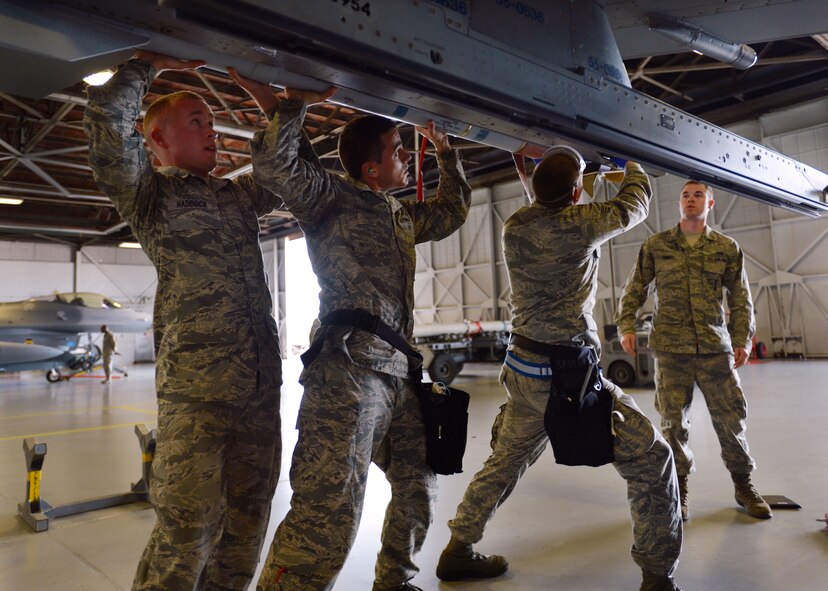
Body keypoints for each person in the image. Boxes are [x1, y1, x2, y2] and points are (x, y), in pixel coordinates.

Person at [231, 74, 471, 591]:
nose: (406, 157)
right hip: (348, 372)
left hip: (398, 375)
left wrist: (446, 154)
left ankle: (395, 581)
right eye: (397, 149)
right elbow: (277, 165)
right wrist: (288, 106)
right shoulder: (330, 198)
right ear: (371, 167)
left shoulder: (398, 214)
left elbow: (451, 212)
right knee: (328, 508)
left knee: (419, 484)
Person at [436, 148, 683, 591]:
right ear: (573, 195)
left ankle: (458, 548)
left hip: (523, 372)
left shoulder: (515, 227)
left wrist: (543, 182)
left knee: (504, 463)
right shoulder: (581, 225)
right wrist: (632, 163)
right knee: (653, 457)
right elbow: (634, 205)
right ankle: (657, 577)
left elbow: (546, 209)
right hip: (567, 378)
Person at [84, 50, 284, 590]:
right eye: (197, 122)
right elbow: (107, 126)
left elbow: (285, 169)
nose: (212, 131)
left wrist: (277, 110)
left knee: (247, 522)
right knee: (186, 529)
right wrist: (147, 64)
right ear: (157, 138)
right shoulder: (150, 194)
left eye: (212, 123)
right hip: (198, 398)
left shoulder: (238, 197)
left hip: (260, 390)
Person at [616, 180, 771, 521]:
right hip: (671, 350)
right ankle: (680, 488)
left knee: (731, 420)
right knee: (673, 425)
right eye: (685, 195)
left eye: (698, 195)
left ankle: (743, 485)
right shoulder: (657, 245)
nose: (690, 200)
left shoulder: (726, 248)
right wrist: (626, 324)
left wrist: (743, 339)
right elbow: (635, 286)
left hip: (715, 347)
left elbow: (741, 298)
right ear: (679, 203)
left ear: (710, 204)